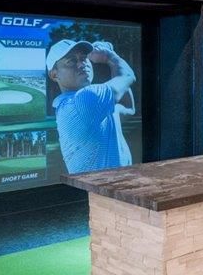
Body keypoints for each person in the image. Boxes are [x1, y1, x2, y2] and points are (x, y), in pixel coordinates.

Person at [45, 39, 136, 174]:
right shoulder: (83, 101)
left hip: (117, 189)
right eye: (71, 61)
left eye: (84, 58)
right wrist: (110, 56)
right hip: (102, 193)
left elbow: (128, 108)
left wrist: (112, 58)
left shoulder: (94, 105)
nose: (82, 64)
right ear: (54, 74)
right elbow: (128, 76)